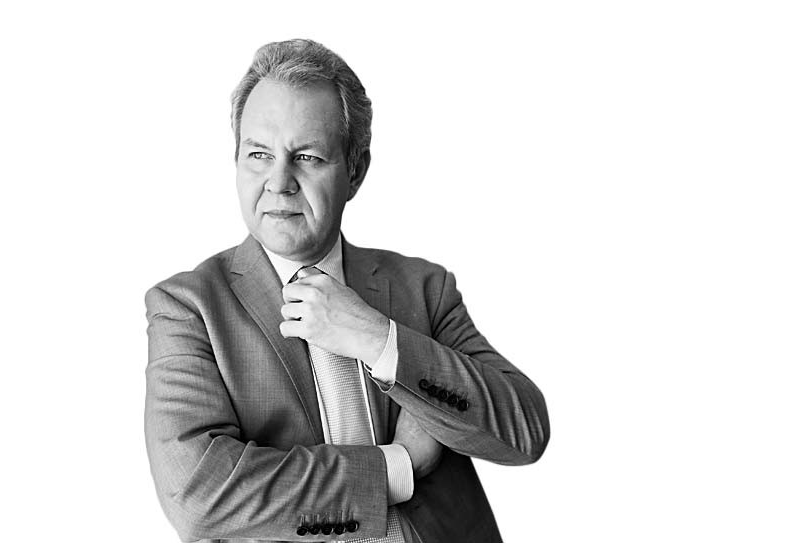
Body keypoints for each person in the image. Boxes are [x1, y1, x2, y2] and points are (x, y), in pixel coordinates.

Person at [144, 38, 549, 543]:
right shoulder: (188, 308)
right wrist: (397, 467)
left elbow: (525, 430)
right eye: (259, 155)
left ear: (355, 171)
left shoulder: (423, 289)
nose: (279, 182)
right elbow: (199, 494)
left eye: (307, 157)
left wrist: (380, 341)